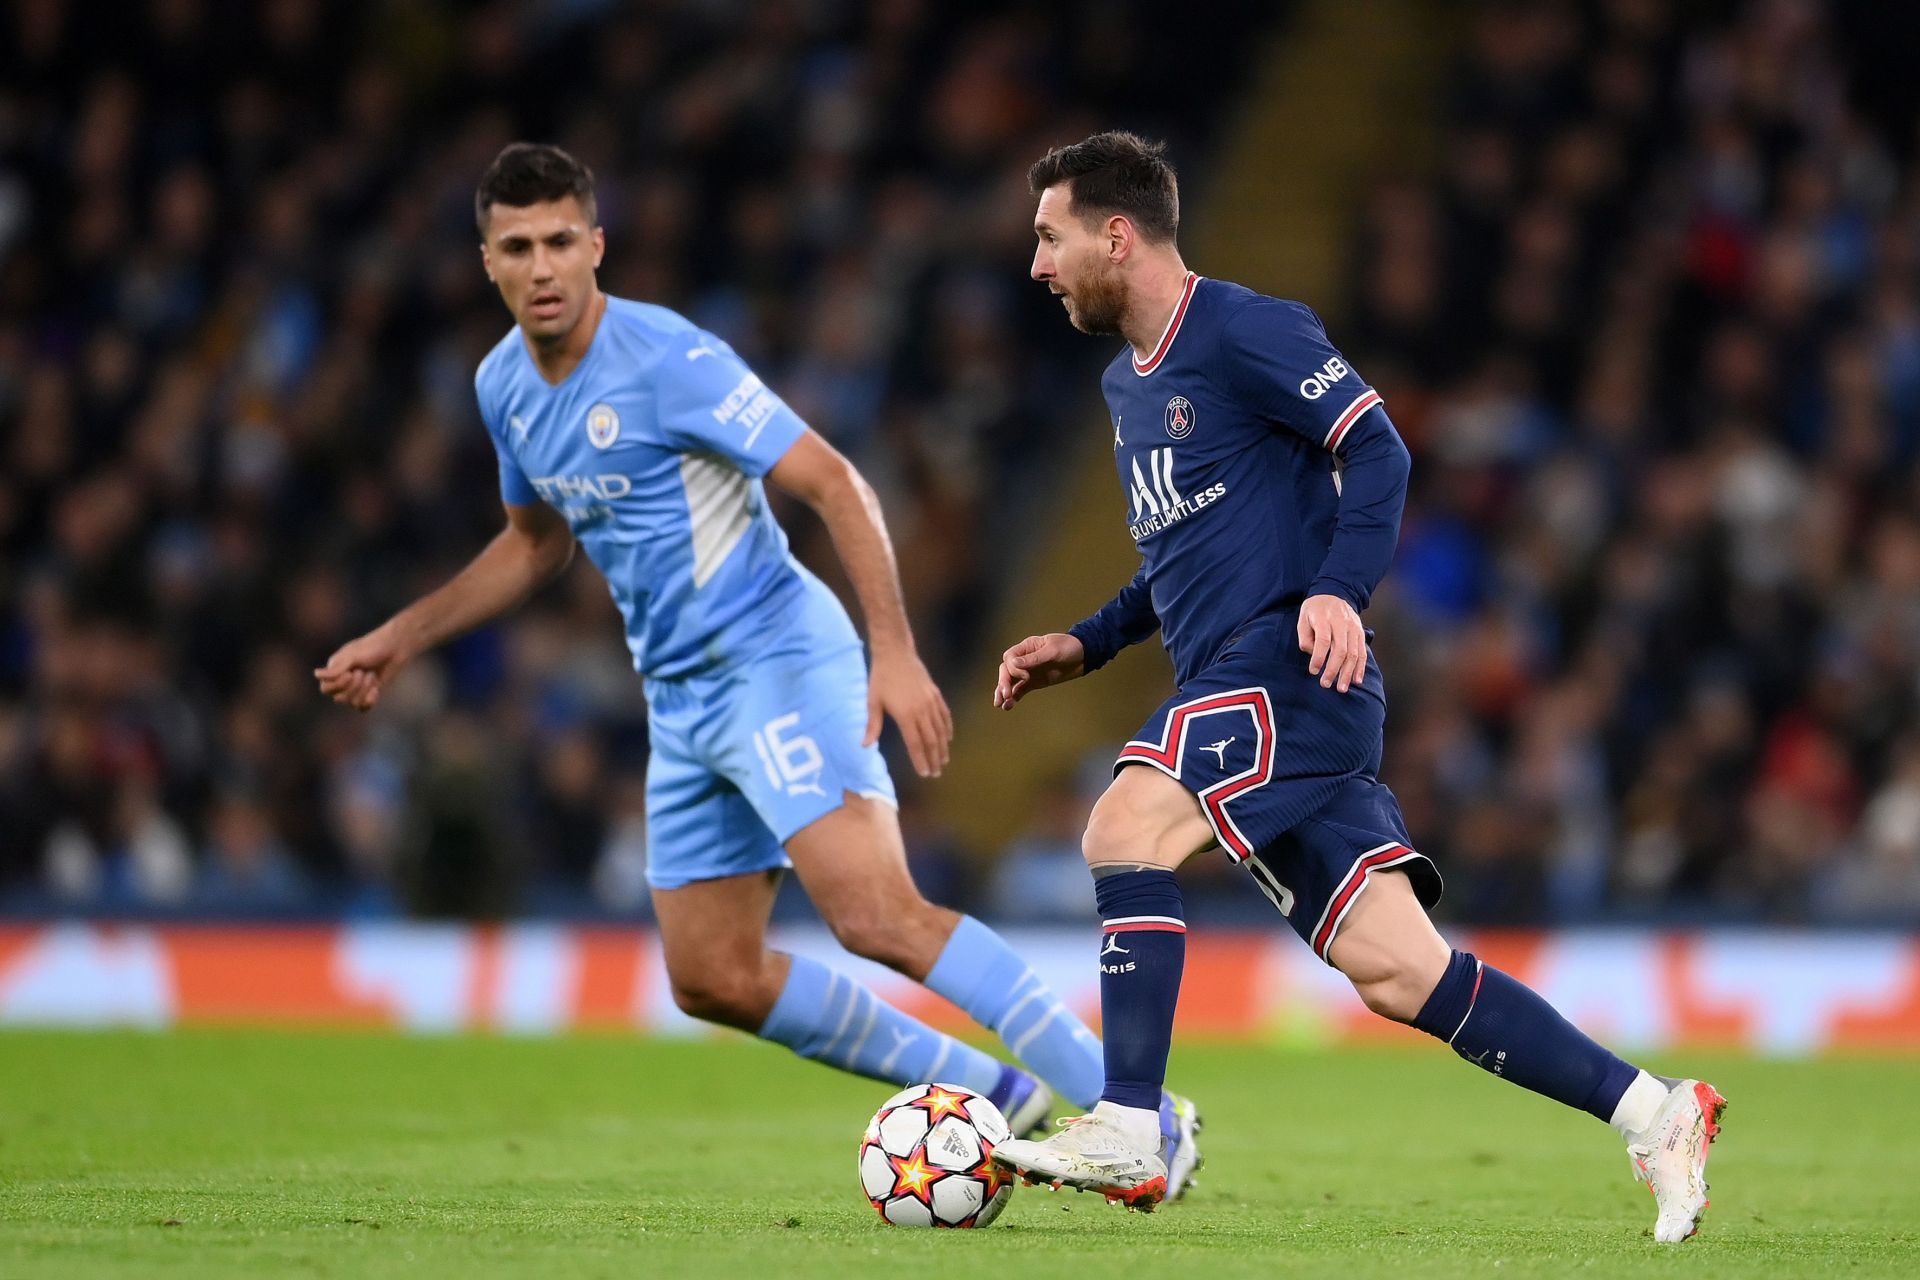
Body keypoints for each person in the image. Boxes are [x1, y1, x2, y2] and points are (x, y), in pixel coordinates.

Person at [313, 142, 1202, 1192]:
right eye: (518, 246)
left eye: (562, 240)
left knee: (875, 914)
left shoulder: (667, 359)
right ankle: (995, 1094)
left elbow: (831, 479)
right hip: (681, 698)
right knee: (713, 973)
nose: (543, 265)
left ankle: (1142, 1116)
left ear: (597, 247)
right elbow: (536, 541)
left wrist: (894, 650)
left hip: (776, 657)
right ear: (487, 263)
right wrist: (402, 634)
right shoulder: (502, 384)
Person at [986, 131, 1724, 1239]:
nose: (1037, 263)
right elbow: (1179, 555)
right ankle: (1656, 1109)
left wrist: (1337, 588)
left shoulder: (1245, 326)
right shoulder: (1124, 385)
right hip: (1255, 689)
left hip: (1290, 668)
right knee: (1400, 971)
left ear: (1117, 233)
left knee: (1123, 822)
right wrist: (1088, 644)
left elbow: (1378, 451)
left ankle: (1131, 1118)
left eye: (1051, 236)